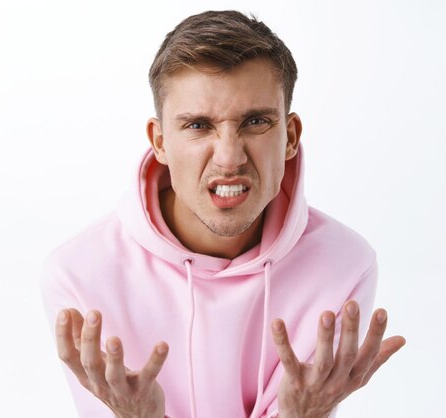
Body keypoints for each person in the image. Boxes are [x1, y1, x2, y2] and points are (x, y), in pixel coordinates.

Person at [40, 10, 405, 418]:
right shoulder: (80, 273)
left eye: (255, 121)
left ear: (290, 136)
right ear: (160, 142)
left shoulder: (344, 265)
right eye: (198, 125)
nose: (230, 158)